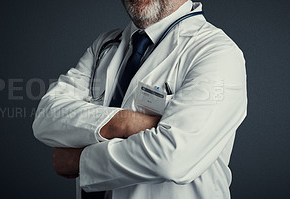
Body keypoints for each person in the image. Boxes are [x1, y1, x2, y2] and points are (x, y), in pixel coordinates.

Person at [32, 0, 247, 198]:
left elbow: (172, 158)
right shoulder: (105, 45)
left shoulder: (216, 53)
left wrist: (80, 162)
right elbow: (46, 116)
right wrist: (125, 122)